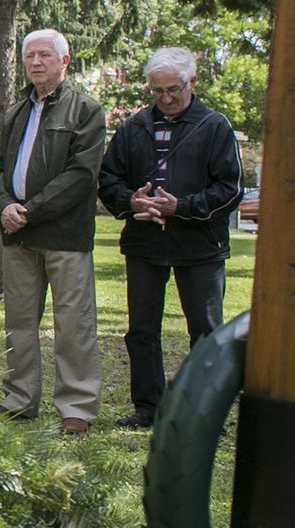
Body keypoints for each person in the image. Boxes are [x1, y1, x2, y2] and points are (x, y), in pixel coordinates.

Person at [96, 47, 242, 429]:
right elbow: (108, 179)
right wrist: (132, 200)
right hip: (145, 242)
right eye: (157, 90)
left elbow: (230, 188)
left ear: (191, 83)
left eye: (173, 90)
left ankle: (203, 410)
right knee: (142, 328)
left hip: (200, 245)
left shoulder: (214, 126)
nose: (165, 98)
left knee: (206, 330)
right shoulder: (134, 127)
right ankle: (149, 407)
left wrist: (183, 207)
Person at [0, 28, 106, 434]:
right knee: (18, 322)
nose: (36, 62)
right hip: (17, 235)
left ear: (64, 62)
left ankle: (77, 406)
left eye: (44, 56)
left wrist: (30, 210)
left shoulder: (85, 110)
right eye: (30, 56)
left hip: (64, 235)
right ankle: (20, 398)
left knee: (73, 323)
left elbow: (81, 175)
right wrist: (4, 207)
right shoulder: (17, 112)